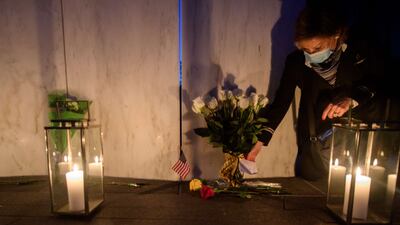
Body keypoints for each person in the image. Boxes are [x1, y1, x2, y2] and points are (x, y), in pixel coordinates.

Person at [245, 4, 397, 180]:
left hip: (359, 150)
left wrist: (352, 98)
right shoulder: (296, 63)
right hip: (315, 152)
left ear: (336, 36)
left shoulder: (360, 54)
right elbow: (280, 103)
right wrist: (260, 141)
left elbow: (380, 83)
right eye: (305, 50)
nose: (311, 55)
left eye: (317, 49)